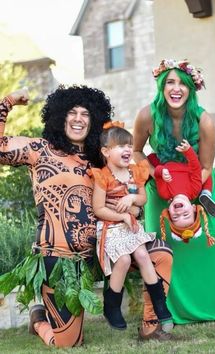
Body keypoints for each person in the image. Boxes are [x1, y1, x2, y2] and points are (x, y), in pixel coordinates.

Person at [0, 85, 173, 346]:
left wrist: (133, 207)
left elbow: (131, 191)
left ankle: (152, 327)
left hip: (106, 247)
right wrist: (8, 102)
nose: (79, 118)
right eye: (72, 112)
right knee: (68, 343)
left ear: (94, 119)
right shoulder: (39, 149)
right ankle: (39, 320)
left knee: (161, 254)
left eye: (85, 113)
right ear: (59, 116)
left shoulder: (101, 160)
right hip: (61, 260)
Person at [133, 59, 215, 324]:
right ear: (161, 86)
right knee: (162, 245)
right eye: (170, 82)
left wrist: (185, 195)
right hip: (161, 185)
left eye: (182, 83)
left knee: (214, 241)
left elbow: (205, 166)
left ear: (191, 88)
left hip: (196, 181)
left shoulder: (204, 122)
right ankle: (165, 310)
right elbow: (135, 151)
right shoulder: (146, 116)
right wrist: (155, 174)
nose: (175, 88)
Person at [91, 123, 173, 332]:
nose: (127, 149)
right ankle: (112, 305)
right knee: (125, 259)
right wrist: (122, 216)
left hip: (131, 227)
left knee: (144, 256)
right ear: (106, 152)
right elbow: (98, 209)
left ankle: (160, 305)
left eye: (129, 145)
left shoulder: (135, 173)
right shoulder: (102, 177)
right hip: (110, 228)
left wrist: (132, 197)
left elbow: (143, 199)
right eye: (120, 146)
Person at [148, 138, 215, 246]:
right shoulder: (194, 190)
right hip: (186, 162)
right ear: (193, 207)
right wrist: (188, 150)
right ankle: (206, 193)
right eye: (186, 214)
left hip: (166, 161)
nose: (179, 213)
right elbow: (195, 168)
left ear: (169, 212)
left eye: (175, 217)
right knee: (205, 171)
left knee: (149, 160)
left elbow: (157, 174)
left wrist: (161, 171)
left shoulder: (164, 193)